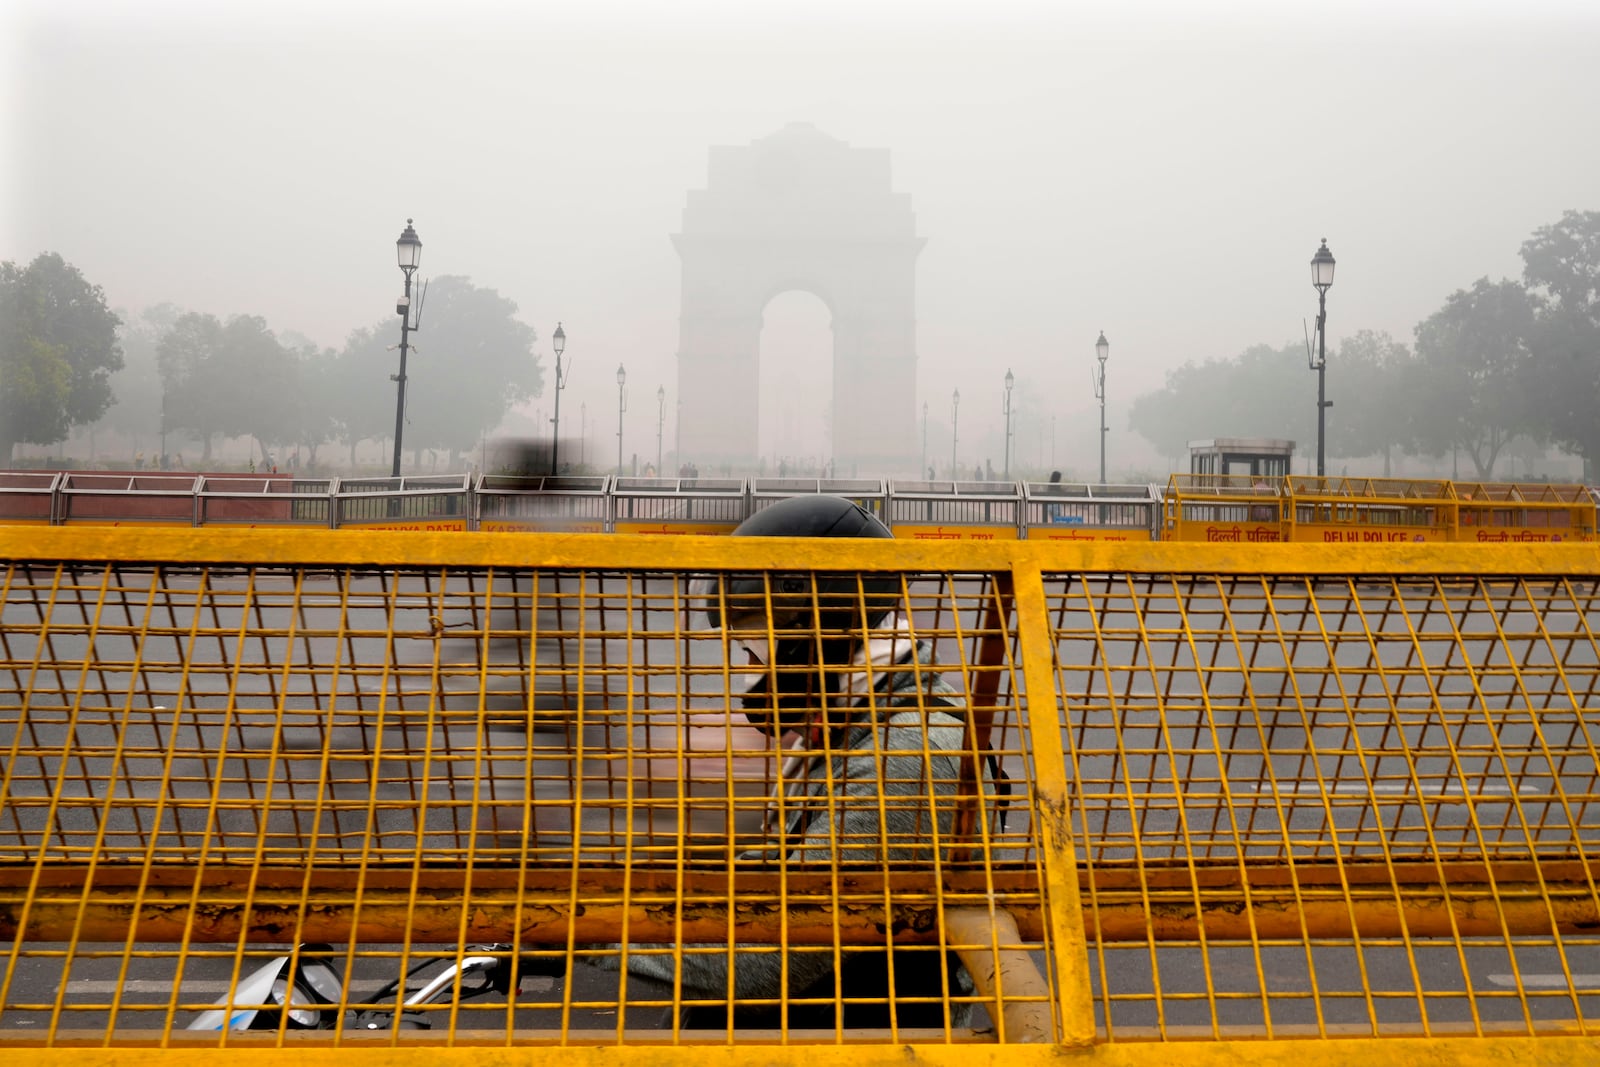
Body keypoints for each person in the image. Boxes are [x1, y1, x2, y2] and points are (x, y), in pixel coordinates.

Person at [612, 495, 996, 1031]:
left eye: (755, 640)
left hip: (858, 1040)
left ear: (817, 627)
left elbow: (778, 958)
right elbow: (774, 871)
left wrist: (577, 939)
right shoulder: (848, 725)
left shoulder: (908, 756)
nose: (749, 666)